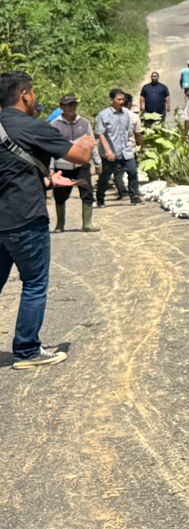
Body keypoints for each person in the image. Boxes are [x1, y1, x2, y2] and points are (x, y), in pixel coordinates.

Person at [0, 70, 94, 367]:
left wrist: (49, 182)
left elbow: (11, 173)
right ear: (25, 94)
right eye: (34, 92)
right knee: (35, 283)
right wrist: (90, 143)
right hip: (26, 219)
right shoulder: (32, 127)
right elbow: (79, 156)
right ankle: (28, 350)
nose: (35, 97)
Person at [49, 96, 94, 233]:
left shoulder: (85, 123)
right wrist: (51, 168)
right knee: (60, 196)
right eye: (69, 105)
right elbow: (50, 149)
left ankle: (87, 223)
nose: (72, 107)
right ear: (61, 106)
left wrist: (97, 163)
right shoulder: (55, 125)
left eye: (74, 104)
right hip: (63, 166)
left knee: (87, 193)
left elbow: (92, 143)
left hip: (82, 165)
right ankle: (60, 224)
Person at [95, 89, 142, 206]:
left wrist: (133, 145)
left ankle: (134, 196)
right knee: (105, 176)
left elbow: (128, 132)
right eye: (119, 99)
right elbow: (101, 135)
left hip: (126, 150)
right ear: (111, 100)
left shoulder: (126, 113)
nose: (121, 102)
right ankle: (100, 197)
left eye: (123, 99)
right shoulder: (103, 115)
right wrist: (108, 151)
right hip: (110, 152)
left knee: (132, 171)